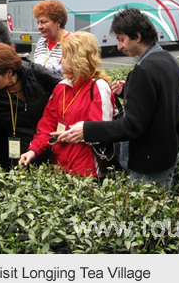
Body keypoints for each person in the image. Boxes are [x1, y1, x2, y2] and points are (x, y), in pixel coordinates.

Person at [54, 7, 179, 190]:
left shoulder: (143, 70)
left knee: (143, 216)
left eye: (122, 39)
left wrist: (87, 129)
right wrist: (128, 92)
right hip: (168, 154)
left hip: (148, 162)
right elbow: (160, 102)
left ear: (137, 36)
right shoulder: (167, 59)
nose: (119, 46)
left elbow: (132, 126)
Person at [19, 32, 114, 178]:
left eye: (64, 56)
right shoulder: (61, 87)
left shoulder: (98, 87)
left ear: (78, 58)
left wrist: (69, 134)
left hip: (88, 169)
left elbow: (101, 132)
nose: (60, 61)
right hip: (60, 165)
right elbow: (47, 126)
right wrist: (33, 151)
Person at [32, 0, 70, 77]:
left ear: (58, 22)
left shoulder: (74, 42)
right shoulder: (41, 42)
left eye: (44, 22)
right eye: (38, 22)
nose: (39, 27)